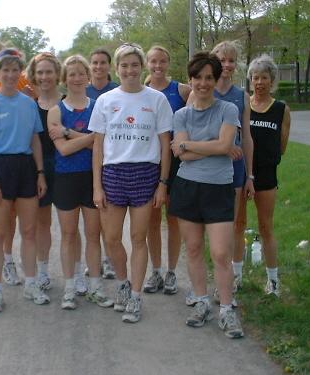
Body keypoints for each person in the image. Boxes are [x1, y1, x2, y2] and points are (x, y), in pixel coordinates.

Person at [89, 43, 172, 323]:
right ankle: (123, 283)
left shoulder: (157, 99)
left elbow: (164, 144)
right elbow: (98, 147)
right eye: (124, 65)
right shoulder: (105, 101)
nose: (129, 70)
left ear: (142, 67)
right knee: (111, 238)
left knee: (138, 238)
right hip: (113, 173)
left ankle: (136, 297)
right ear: (117, 69)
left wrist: (163, 183)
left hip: (145, 173)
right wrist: (97, 186)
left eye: (134, 65)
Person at [169, 51, 244, 338]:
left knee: (221, 253)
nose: (203, 83)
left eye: (209, 78)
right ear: (191, 79)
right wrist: (212, 147)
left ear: (216, 79)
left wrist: (190, 146)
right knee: (195, 249)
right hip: (187, 188)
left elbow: (226, 145)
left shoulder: (227, 110)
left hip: (219, 188)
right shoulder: (181, 114)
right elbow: (180, 154)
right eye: (198, 77)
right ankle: (201, 303)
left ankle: (226, 310)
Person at [0, 48, 49, 313]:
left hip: (25, 167)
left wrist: (40, 173)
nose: (10, 74)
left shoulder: (28, 103)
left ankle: (31, 283)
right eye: (5, 70)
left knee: (29, 231)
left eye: (15, 70)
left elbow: (35, 140)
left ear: (20, 74)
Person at [47, 55, 113, 310]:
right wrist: (90, 138)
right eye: (71, 74)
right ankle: (70, 288)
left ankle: (95, 286)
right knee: (68, 234)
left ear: (88, 76)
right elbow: (63, 150)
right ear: (65, 79)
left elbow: (105, 143)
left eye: (80, 73)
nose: (76, 78)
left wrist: (70, 133)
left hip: (92, 176)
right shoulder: (56, 110)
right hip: (65, 178)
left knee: (94, 235)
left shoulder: (99, 105)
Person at [143, 45, 191, 295]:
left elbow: (203, 104)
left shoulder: (181, 90)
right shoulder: (141, 92)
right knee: (152, 220)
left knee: (173, 220)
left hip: (176, 163)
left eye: (162, 61)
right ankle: (156, 271)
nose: (158, 66)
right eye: (153, 61)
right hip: (149, 161)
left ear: (168, 63)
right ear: (147, 63)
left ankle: (172, 272)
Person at [210, 41, 254, 304]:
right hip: (207, 166)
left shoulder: (241, 96)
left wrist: (250, 176)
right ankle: (211, 280)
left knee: (232, 224)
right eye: (222, 60)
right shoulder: (203, 89)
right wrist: (222, 147)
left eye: (231, 60)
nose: (226, 65)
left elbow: (247, 138)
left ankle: (230, 280)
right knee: (211, 228)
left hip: (235, 168)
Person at [245, 54, 291, 296]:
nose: (260, 82)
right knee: (236, 225)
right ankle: (236, 275)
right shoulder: (242, 104)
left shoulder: (281, 109)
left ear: (272, 80)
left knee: (266, 226)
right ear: (250, 80)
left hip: (266, 176)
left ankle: (273, 281)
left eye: (264, 77)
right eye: (255, 77)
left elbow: (282, 146)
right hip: (242, 174)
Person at [25, 52, 63, 290]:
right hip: (39, 168)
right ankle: (42, 271)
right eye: (40, 72)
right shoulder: (29, 106)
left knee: (70, 226)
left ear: (57, 74)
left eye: (49, 71)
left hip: (66, 166)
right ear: (34, 75)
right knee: (42, 223)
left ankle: (77, 271)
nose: (45, 76)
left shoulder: (68, 101)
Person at [85, 48, 119, 280]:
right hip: (83, 160)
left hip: (111, 161)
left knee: (106, 216)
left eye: (102, 63)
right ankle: (94, 260)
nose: (98, 67)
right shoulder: (82, 89)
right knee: (90, 221)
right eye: (94, 62)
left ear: (109, 66)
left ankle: (109, 260)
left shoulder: (117, 91)